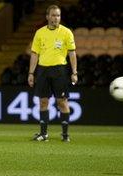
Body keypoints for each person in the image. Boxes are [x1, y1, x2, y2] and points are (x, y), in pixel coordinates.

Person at [28, 5, 78, 142]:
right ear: (47, 17)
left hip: (59, 71)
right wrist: (31, 73)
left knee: (62, 102)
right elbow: (34, 54)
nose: (56, 18)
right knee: (43, 101)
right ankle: (43, 134)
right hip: (43, 70)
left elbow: (72, 53)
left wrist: (74, 72)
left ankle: (65, 135)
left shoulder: (66, 32)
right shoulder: (39, 33)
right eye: (53, 15)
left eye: (58, 15)